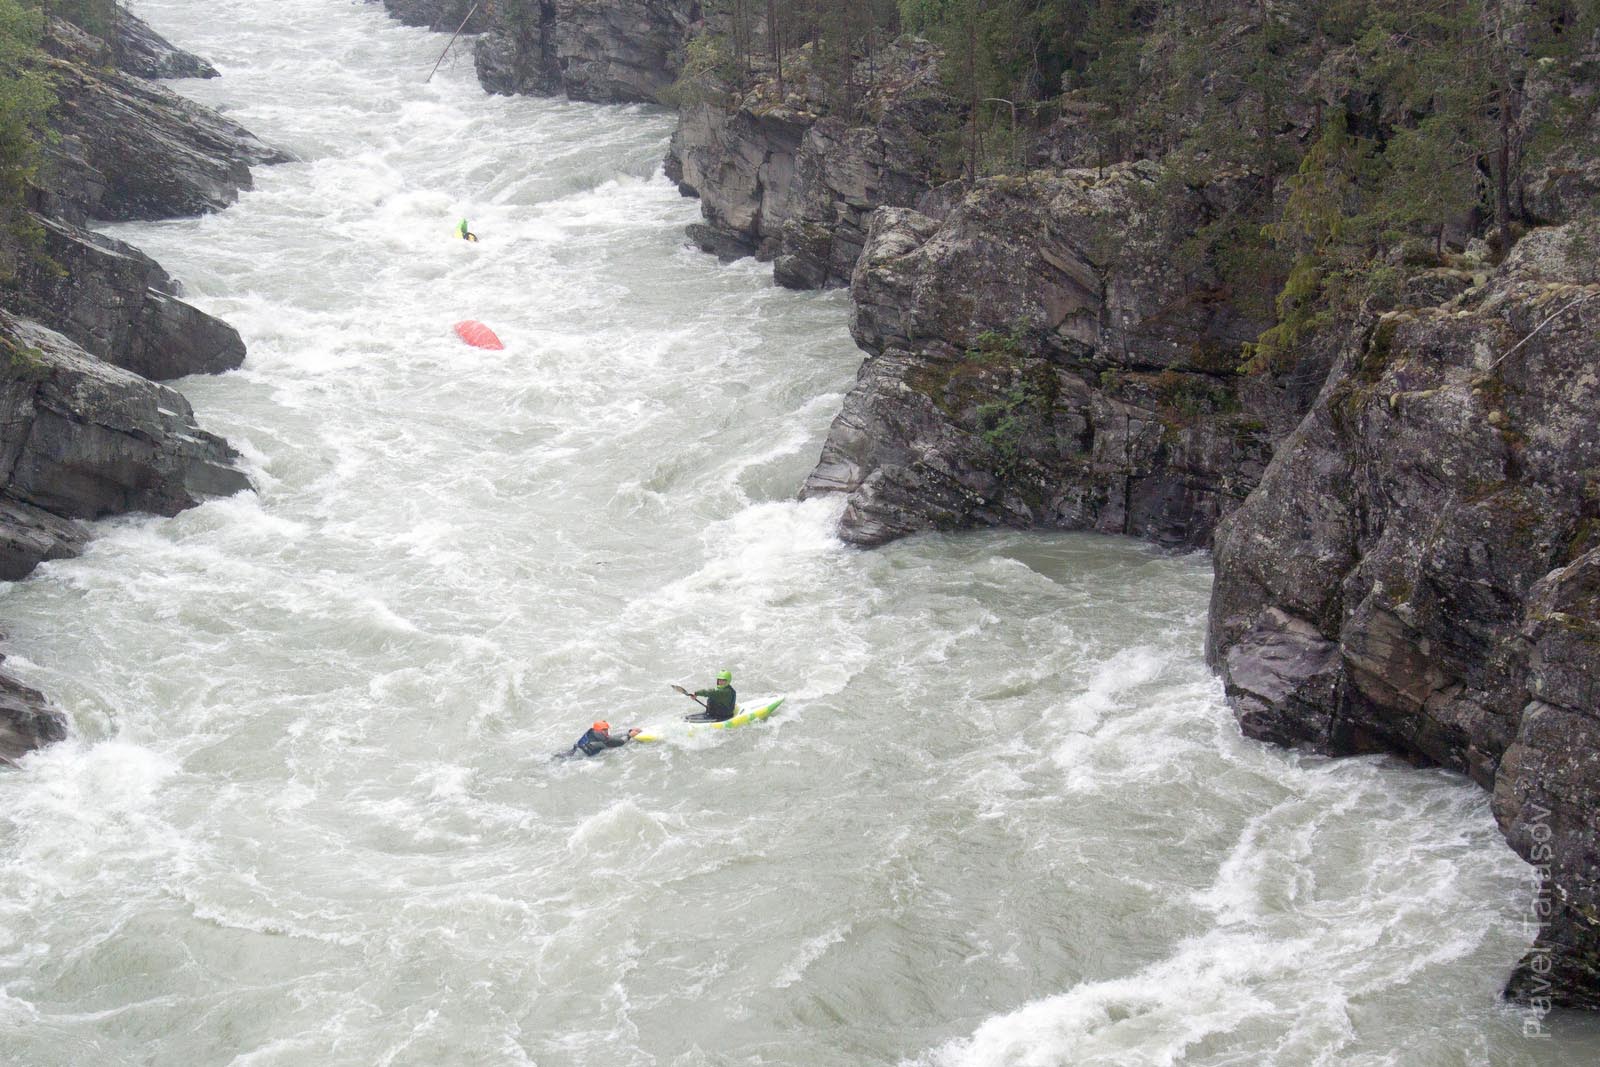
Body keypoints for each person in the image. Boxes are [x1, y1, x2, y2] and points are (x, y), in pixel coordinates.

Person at [566, 720, 639, 758]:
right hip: (576, 758)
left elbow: (612, 737)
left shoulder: (593, 732)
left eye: (606, 729)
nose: (606, 731)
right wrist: (629, 736)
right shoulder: (600, 742)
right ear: (597, 730)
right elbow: (620, 743)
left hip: (574, 751)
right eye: (604, 730)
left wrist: (628, 731)